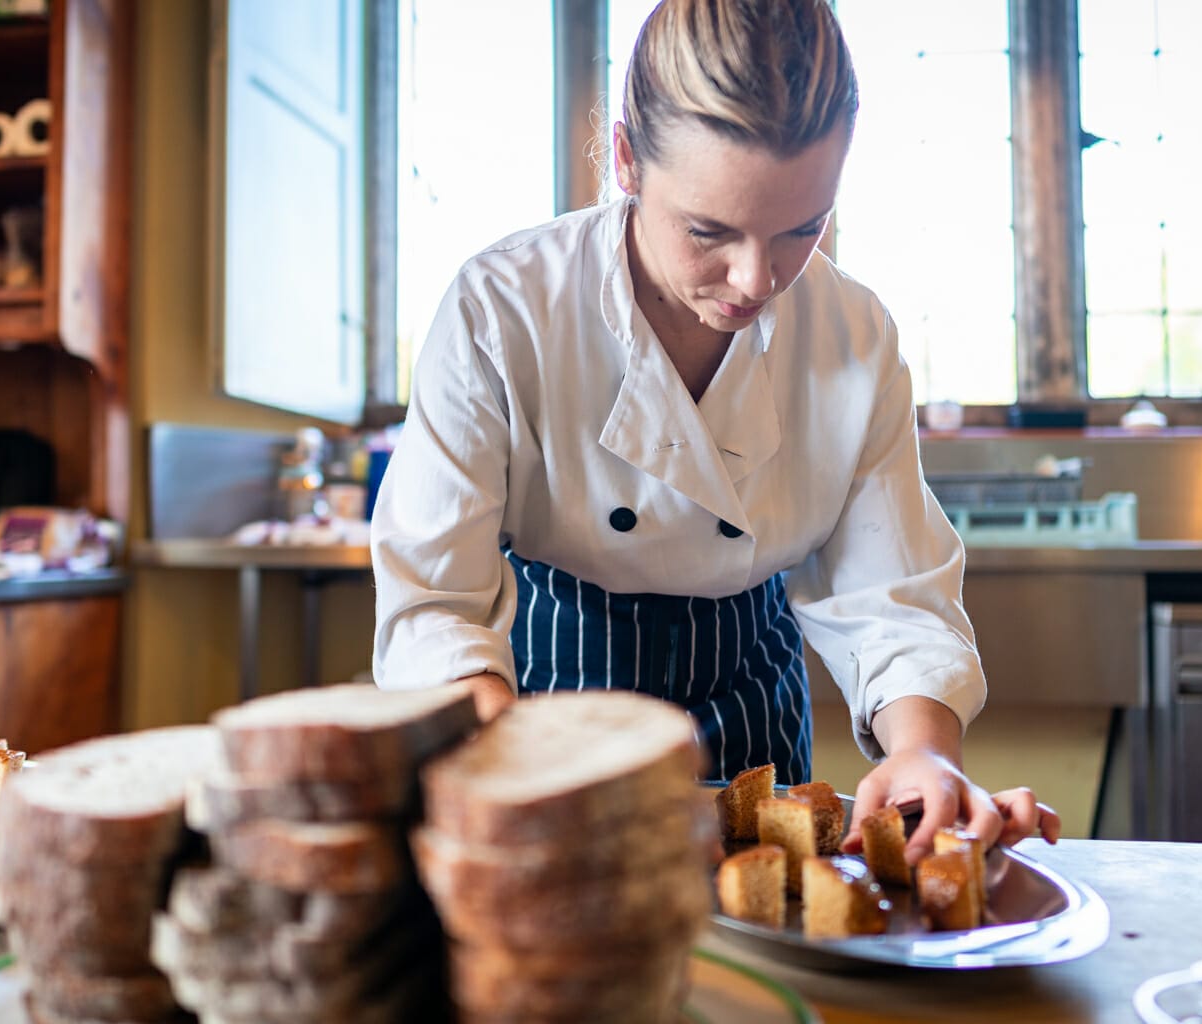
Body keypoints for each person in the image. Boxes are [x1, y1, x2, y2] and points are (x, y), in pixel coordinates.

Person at [370, 0, 1057, 864]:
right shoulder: (503, 307)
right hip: (539, 702)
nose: (754, 278)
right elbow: (437, 601)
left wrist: (923, 752)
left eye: (802, 229)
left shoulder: (853, 333)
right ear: (625, 158)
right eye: (708, 231)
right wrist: (500, 772)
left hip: (748, 702)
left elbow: (892, 591)